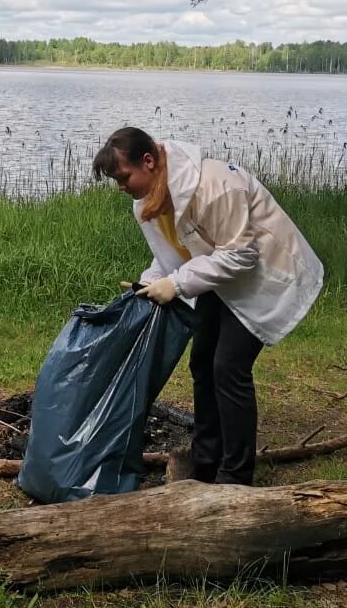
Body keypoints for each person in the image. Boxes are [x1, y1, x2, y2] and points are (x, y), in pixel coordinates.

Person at [92, 127, 323, 486]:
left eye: (124, 177)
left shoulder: (215, 186)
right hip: (221, 277)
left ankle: (235, 475)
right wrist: (154, 281)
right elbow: (172, 256)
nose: (121, 187)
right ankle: (206, 457)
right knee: (202, 362)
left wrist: (179, 284)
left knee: (228, 368)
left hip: (265, 274)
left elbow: (241, 255)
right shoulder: (148, 200)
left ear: (149, 161)